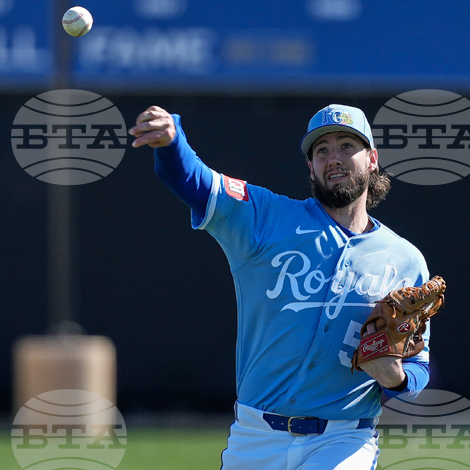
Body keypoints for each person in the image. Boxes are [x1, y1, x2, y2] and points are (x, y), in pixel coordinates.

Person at [129, 104, 432, 470]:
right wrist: (172, 142)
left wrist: (395, 378)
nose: (333, 158)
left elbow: (419, 366)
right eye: (322, 150)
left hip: (344, 438)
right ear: (310, 166)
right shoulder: (266, 217)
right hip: (255, 437)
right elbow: (195, 182)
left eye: (347, 146)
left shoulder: (405, 259)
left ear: (372, 159)